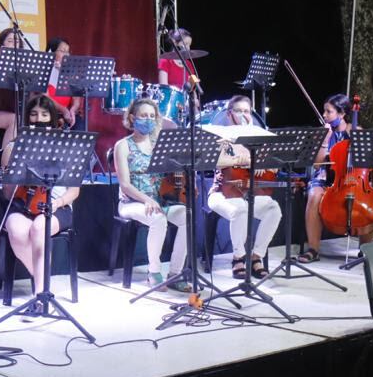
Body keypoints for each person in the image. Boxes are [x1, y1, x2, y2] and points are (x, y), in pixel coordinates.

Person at [0, 96, 81, 299]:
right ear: (27, 118)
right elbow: (8, 193)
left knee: (39, 228)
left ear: (52, 118)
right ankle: (44, 286)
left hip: (58, 205)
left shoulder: (65, 147)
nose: (39, 119)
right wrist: (14, 172)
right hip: (22, 204)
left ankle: (39, 294)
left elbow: (74, 191)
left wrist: (56, 203)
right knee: (18, 232)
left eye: (44, 115)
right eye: (34, 114)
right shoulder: (14, 146)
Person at [113, 98, 190, 291]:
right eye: (143, 116)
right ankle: (153, 272)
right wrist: (146, 199)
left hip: (160, 200)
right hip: (131, 202)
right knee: (158, 219)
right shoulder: (122, 145)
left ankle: (175, 273)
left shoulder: (159, 144)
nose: (148, 120)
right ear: (132, 118)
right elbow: (125, 184)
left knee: (187, 217)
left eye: (152, 116)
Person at [208, 96, 282, 279]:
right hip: (221, 193)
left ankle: (256, 256)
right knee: (240, 210)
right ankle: (238, 257)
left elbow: (275, 166)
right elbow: (216, 161)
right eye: (238, 111)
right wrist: (246, 160)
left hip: (249, 191)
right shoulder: (220, 135)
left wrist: (262, 163)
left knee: (274, 209)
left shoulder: (258, 138)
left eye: (246, 111)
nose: (243, 115)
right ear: (229, 114)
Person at [298, 93, 373, 262]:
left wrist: (356, 142)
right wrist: (325, 140)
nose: (324, 115)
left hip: (351, 178)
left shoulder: (356, 131)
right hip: (325, 178)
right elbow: (317, 165)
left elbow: (367, 162)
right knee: (314, 195)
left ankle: (365, 250)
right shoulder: (324, 134)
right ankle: (313, 249)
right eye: (324, 111)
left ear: (342, 114)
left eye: (328, 111)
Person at [45, 37, 83, 129]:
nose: (66, 55)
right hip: (48, 112)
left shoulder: (72, 73)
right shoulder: (44, 71)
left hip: (67, 113)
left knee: (79, 126)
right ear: (51, 52)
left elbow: (76, 100)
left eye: (68, 52)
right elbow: (45, 97)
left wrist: (72, 111)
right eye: (62, 51)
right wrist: (63, 110)